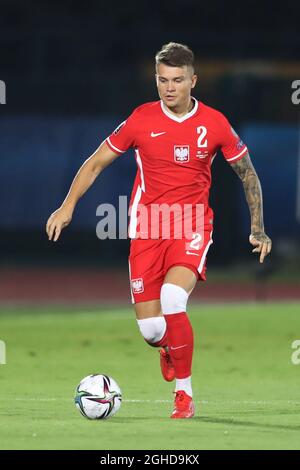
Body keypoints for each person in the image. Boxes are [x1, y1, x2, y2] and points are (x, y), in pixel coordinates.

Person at [46, 42, 272, 419]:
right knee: (153, 331)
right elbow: (96, 162)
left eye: (178, 80)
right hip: (147, 228)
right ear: (156, 79)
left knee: (172, 300)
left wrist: (258, 229)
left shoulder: (214, 123)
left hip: (192, 225)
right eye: (163, 80)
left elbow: (247, 173)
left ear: (193, 81)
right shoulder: (140, 120)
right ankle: (170, 347)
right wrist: (68, 206)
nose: (170, 88)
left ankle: (184, 395)